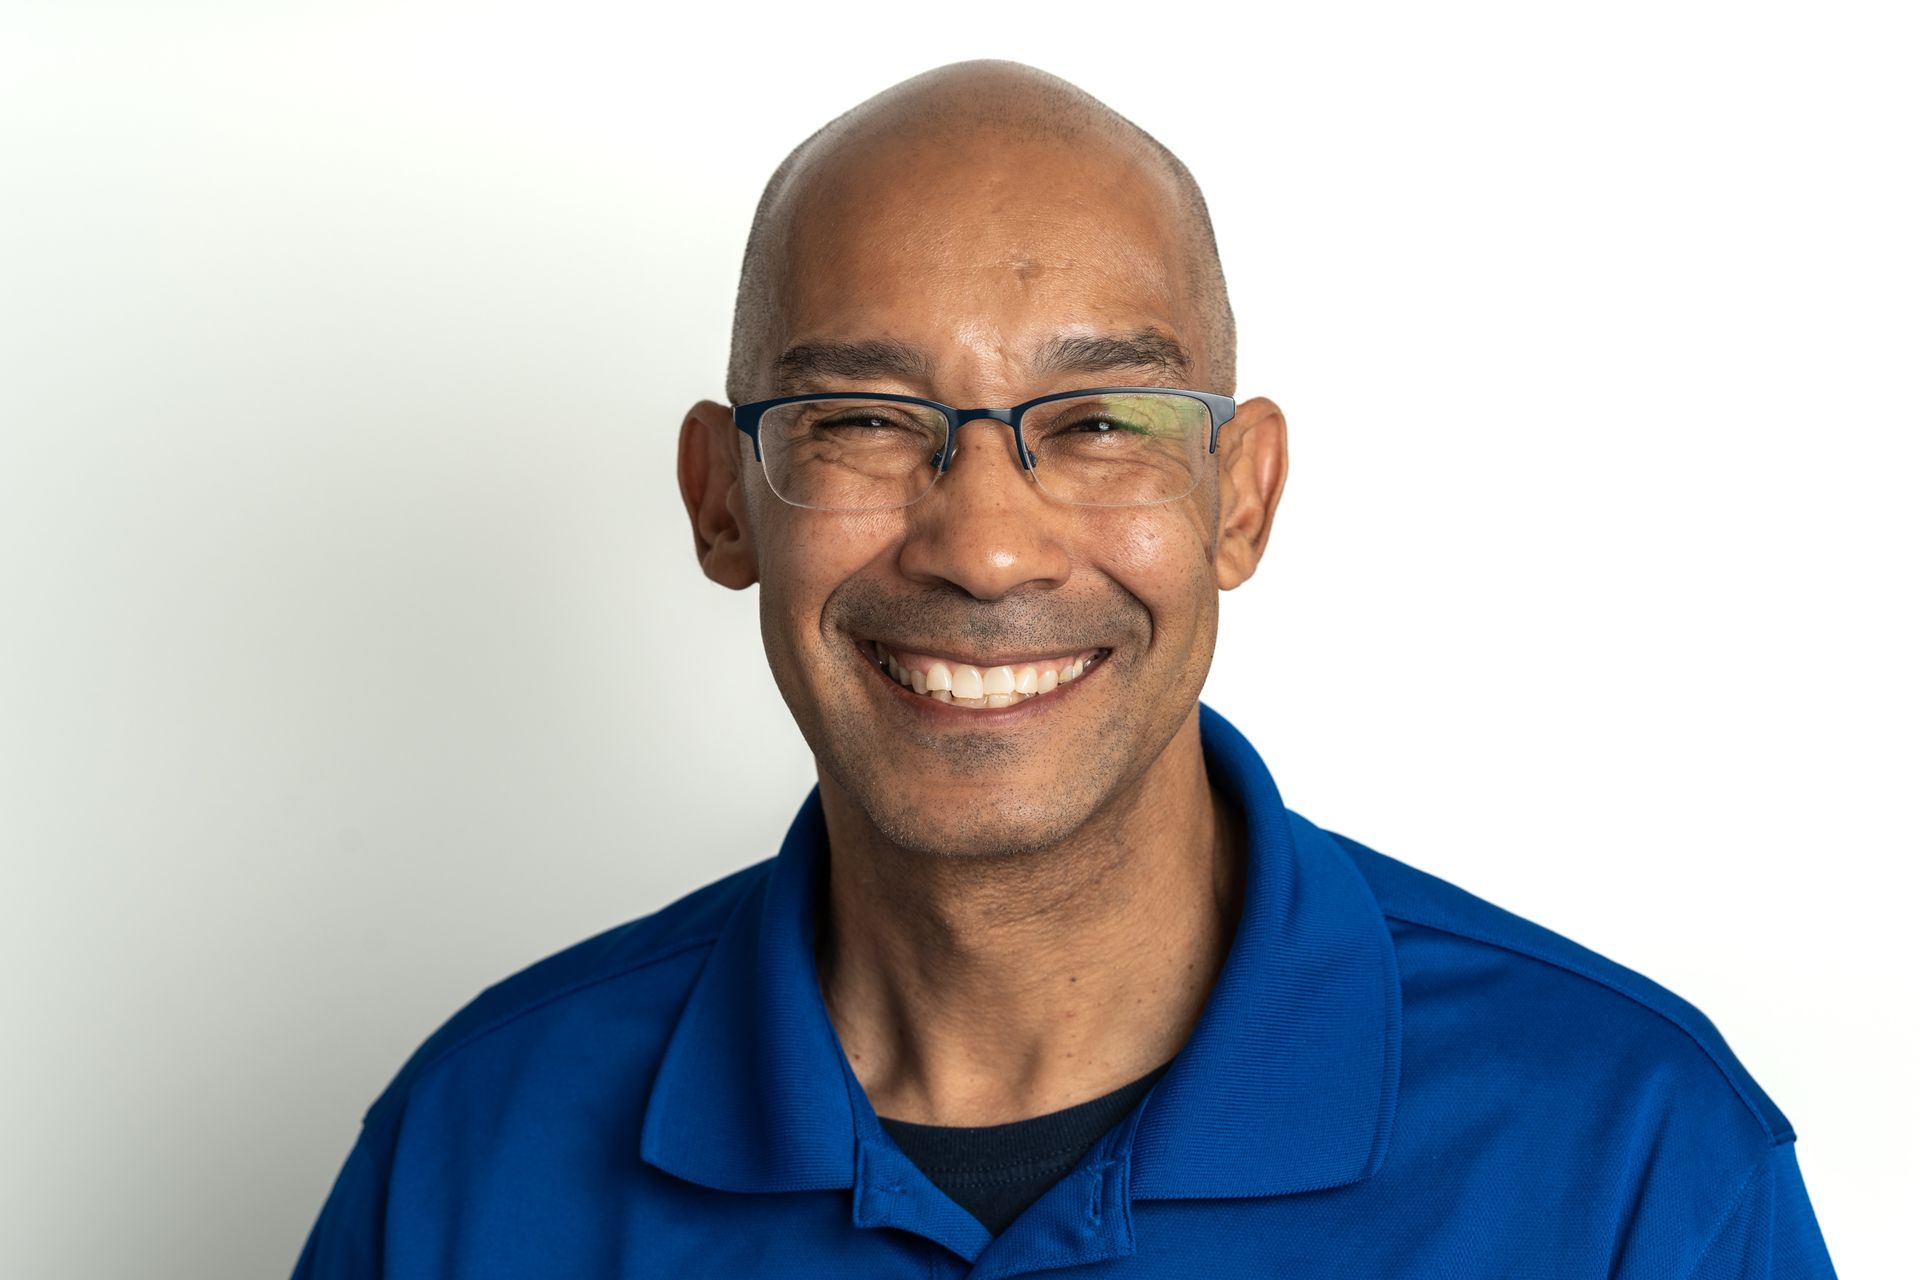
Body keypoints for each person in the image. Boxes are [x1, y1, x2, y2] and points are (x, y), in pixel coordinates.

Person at [292, 59, 1836, 1278]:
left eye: (1099, 423)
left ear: (1241, 499)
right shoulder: (471, 1156)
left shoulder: (1632, 1158)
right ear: (721, 499)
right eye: (863, 422)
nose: (987, 547)